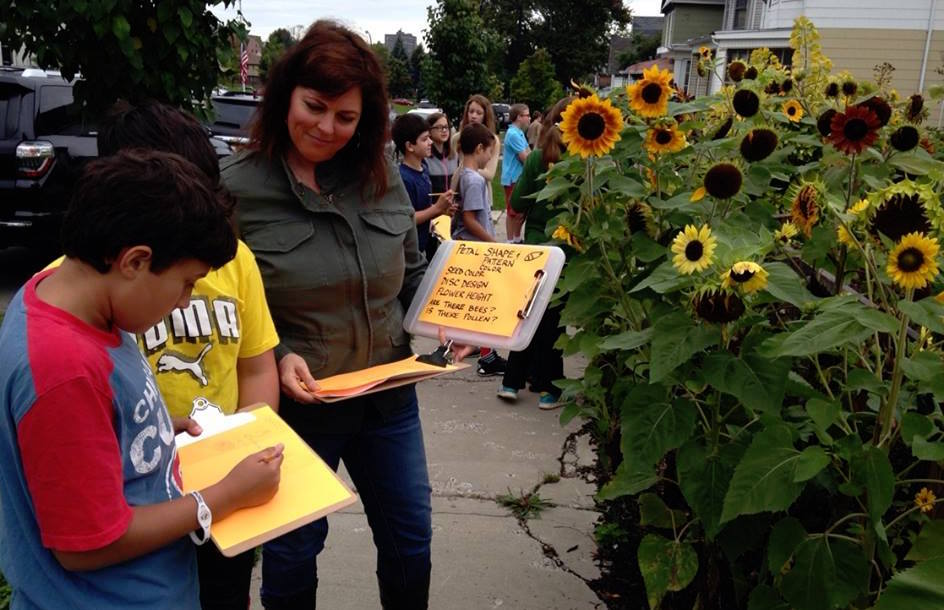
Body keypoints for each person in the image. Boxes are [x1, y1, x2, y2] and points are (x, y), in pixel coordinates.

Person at [0, 150, 284, 609]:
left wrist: (140, 428)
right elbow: (84, 545)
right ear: (134, 261)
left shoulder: (74, 303)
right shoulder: (64, 367)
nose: (184, 301)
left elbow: (80, 437)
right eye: (187, 283)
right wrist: (220, 497)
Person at [220, 20, 441, 609]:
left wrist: (457, 325)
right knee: (292, 555)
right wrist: (279, 352)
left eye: (345, 118)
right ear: (286, 94)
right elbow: (224, 307)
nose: (325, 128)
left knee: (410, 540)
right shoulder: (234, 190)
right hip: (299, 410)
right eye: (314, 107)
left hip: (389, 396)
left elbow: (412, 274)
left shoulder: (382, 174)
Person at [104, 101, 281, 610]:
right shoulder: (86, 284)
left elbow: (255, 364)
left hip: (224, 483)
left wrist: (252, 440)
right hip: (137, 497)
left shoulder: (234, 259)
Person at [497, 96, 576, 410]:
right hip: (569, 252)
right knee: (552, 322)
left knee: (527, 313)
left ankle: (513, 381)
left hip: (535, 249)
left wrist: (514, 242)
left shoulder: (537, 158)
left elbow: (516, 208)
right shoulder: (588, 159)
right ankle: (550, 388)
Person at [392, 112, 457, 262]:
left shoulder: (423, 169)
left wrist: (443, 210)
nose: (430, 142)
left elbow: (424, 209)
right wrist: (435, 209)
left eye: (429, 137)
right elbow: (407, 218)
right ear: (410, 146)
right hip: (407, 254)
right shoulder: (404, 178)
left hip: (422, 248)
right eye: (424, 139)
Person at [500, 103, 531, 243]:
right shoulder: (513, 134)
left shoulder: (519, 133)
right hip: (513, 178)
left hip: (518, 178)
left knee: (519, 212)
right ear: (519, 117)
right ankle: (511, 241)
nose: (529, 118)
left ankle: (516, 238)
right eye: (527, 115)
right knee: (513, 211)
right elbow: (525, 158)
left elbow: (529, 154)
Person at [426, 112, 458, 196]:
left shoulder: (454, 156)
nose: (444, 130)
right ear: (429, 131)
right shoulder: (425, 158)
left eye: (446, 127)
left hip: (453, 206)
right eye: (439, 127)